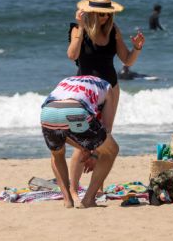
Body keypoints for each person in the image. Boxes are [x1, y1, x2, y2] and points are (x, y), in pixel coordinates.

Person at [66, 0, 144, 201]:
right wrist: (81, 27)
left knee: (104, 138)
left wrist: (137, 48)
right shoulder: (77, 29)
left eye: (108, 13)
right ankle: (73, 190)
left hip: (110, 90)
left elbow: (127, 60)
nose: (106, 17)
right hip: (84, 92)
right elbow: (72, 54)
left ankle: (94, 190)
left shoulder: (113, 30)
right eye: (101, 14)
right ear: (91, 13)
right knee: (82, 139)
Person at [40, 76, 119, 208]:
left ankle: (67, 200)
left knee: (57, 154)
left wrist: (85, 148)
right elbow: (106, 130)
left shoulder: (67, 80)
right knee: (111, 150)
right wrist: (94, 153)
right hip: (75, 111)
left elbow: (65, 132)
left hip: (48, 112)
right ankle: (88, 199)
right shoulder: (107, 87)